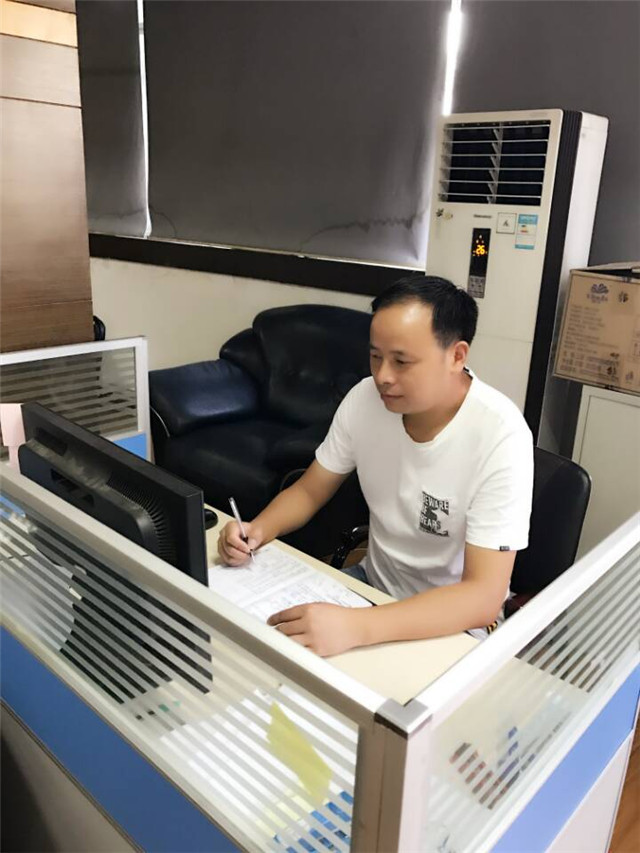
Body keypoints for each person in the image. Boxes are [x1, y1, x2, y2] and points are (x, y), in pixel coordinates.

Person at [218, 275, 533, 656]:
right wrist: (256, 530)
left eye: (401, 361)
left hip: (452, 622)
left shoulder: (500, 434)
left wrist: (357, 627)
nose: (382, 376)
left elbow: (482, 596)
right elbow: (310, 490)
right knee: (254, 644)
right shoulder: (364, 400)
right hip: (371, 587)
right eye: (375, 356)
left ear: (456, 356)